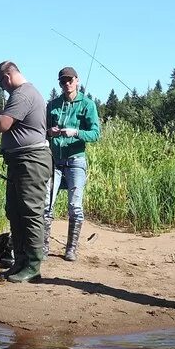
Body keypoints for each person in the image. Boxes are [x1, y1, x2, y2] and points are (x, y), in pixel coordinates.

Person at [0, 61, 53, 283]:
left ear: (6, 78)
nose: (2, 89)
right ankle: (21, 262)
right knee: (14, 211)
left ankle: (33, 266)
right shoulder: (21, 95)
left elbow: (2, 125)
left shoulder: (23, 94)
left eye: (0, 84)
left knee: (30, 213)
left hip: (31, 161)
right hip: (18, 161)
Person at [44, 66, 101, 261]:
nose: (66, 83)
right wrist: (49, 133)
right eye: (62, 81)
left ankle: (71, 249)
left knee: (75, 206)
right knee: (46, 204)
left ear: (77, 80)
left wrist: (75, 132)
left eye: (70, 80)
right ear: (59, 83)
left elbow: (95, 134)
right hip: (54, 160)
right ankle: (43, 248)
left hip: (76, 160)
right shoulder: (52, 105)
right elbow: (41, 131)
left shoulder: (87, 104)